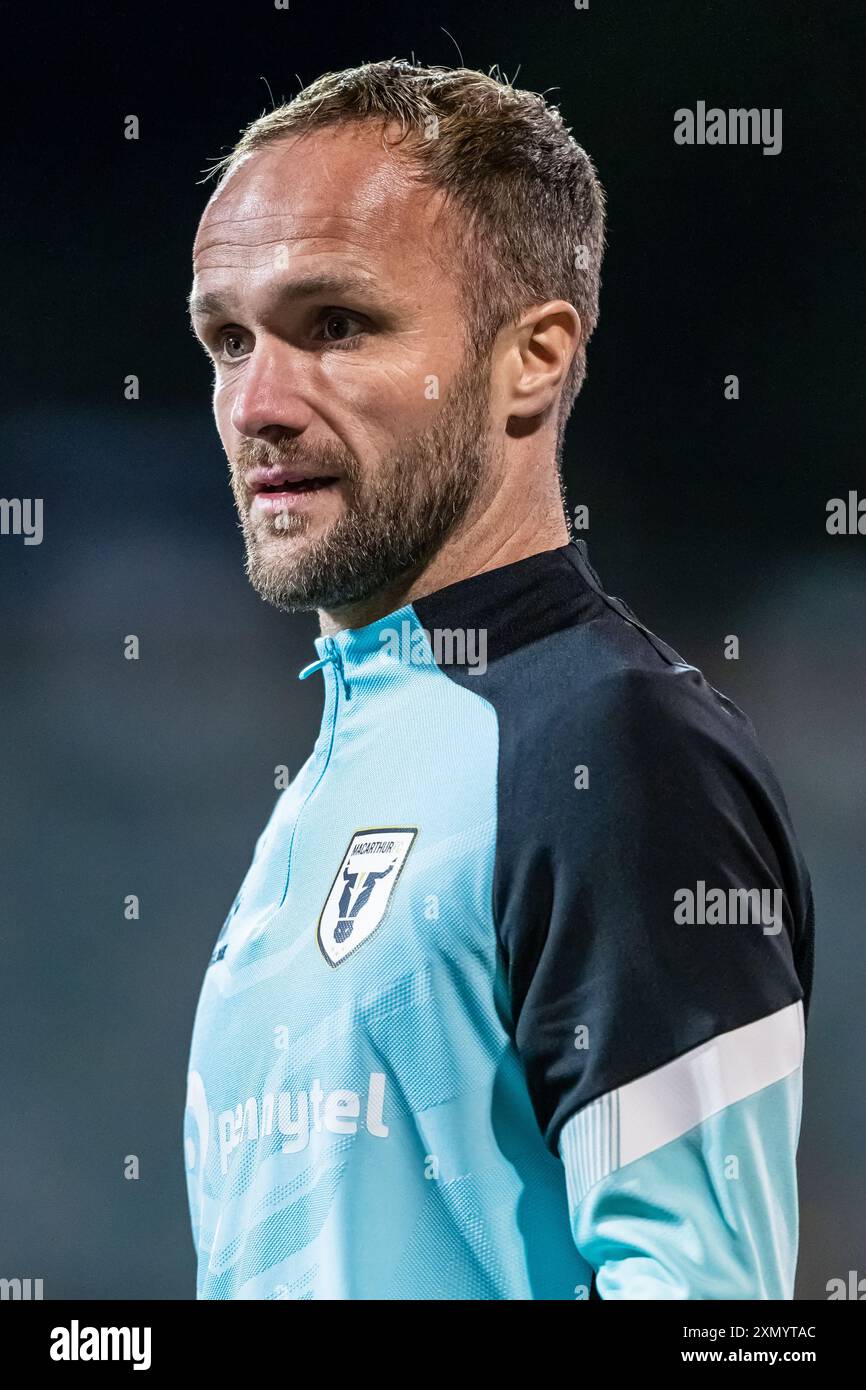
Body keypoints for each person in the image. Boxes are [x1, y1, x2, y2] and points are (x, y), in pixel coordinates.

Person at [183, 60, 814, 1300]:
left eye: (336, 325)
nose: (256, 401)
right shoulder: (337, 770)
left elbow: (709, 1309)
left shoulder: (613, 743)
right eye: (227, 339)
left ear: (530, 359)